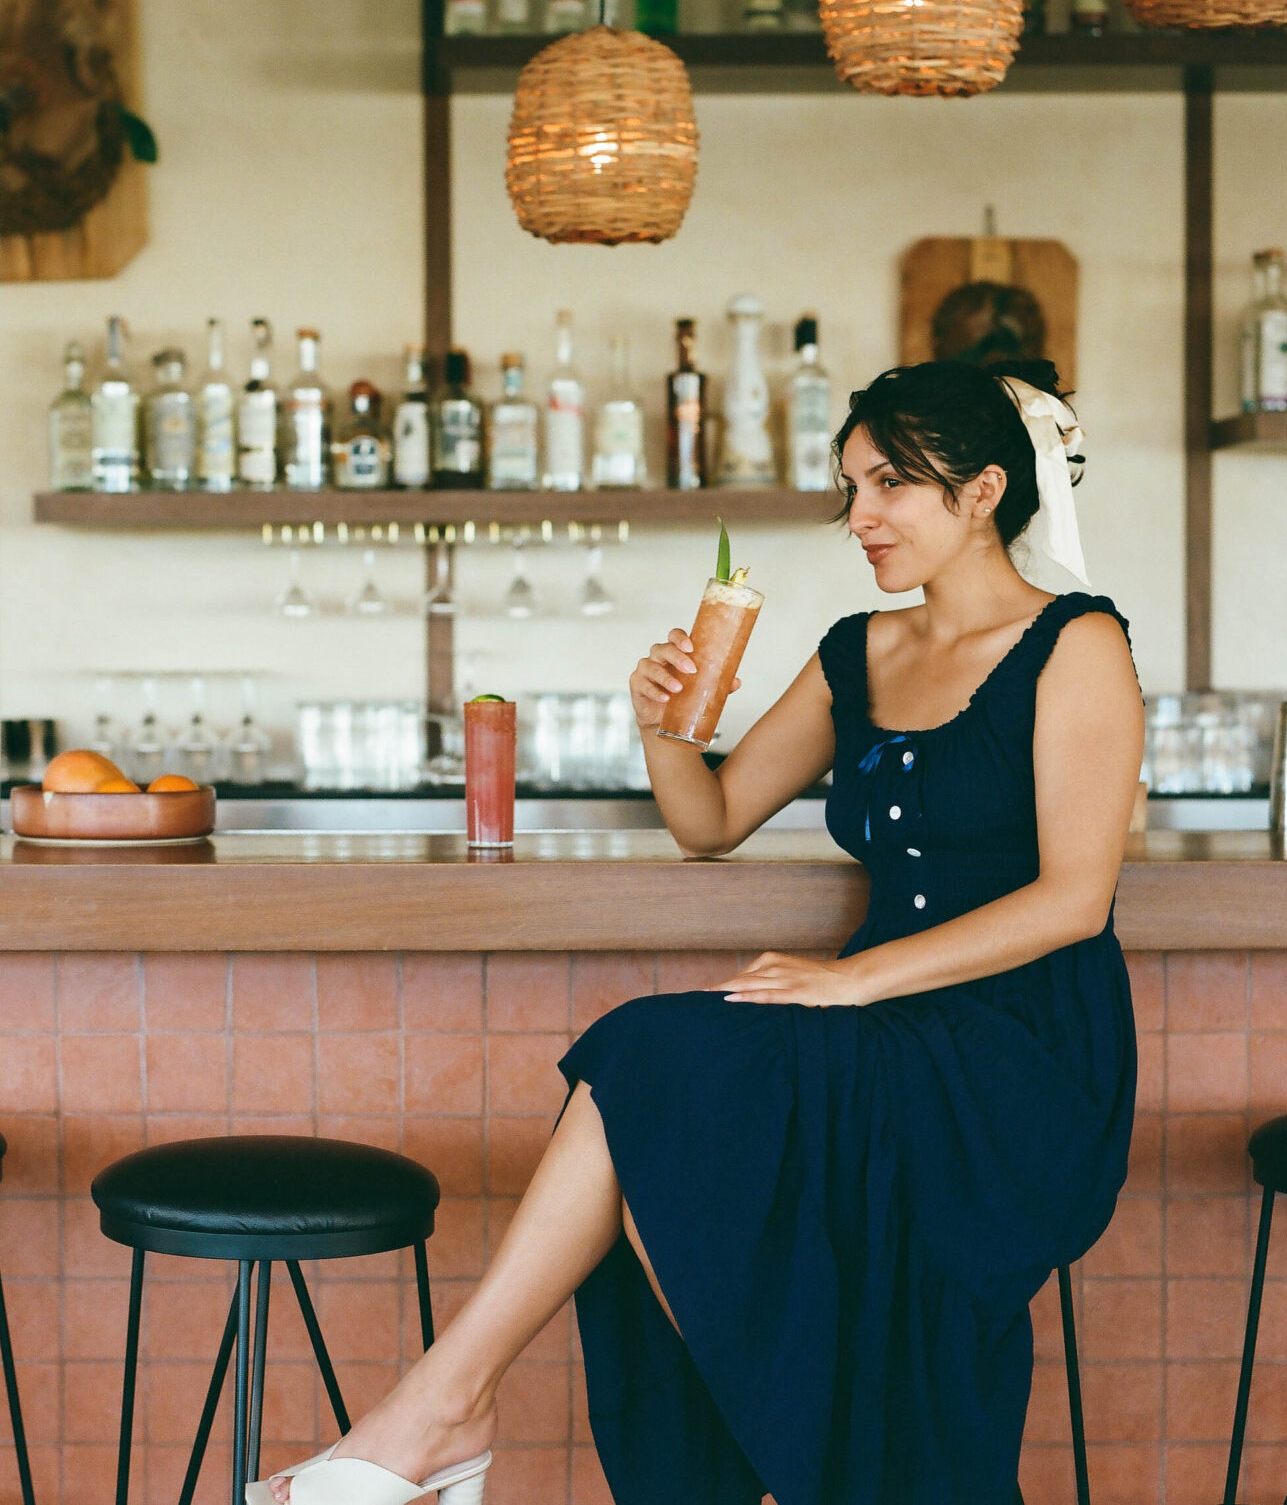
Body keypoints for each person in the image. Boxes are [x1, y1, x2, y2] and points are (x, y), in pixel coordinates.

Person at [257, 359, 1142, 1505]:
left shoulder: (1078, 646)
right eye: (849, 489)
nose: (858, 518)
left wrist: (852, 981)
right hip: (877, 1039)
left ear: (981, 493)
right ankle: (443, 1416)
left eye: (890, 487)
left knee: (649, 1058)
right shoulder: (857, 654)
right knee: (648, 1067)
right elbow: (710, 821)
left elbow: (1075, 898)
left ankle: (436, 1421)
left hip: (1020, 1058)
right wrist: (665, 725)